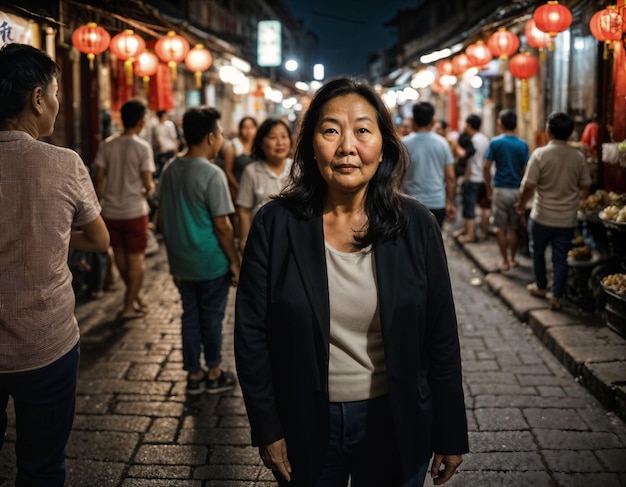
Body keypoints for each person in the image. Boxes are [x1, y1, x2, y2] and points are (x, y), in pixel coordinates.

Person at [234, 77, 468, 487]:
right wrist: (267, 428)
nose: (347, 147)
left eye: (362, 130)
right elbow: (251, 335)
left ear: (384, 145)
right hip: (306, 421)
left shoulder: (416, 225)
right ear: (309, 144)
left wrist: (449, 431)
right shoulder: (275, 224)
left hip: (394, 420)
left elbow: (441, 334)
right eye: (330, 131)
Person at [0, 43, 110, 485]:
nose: (59, 103)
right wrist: (54, 239)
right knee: (42, 465)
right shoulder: (64, 164)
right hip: (45, 344)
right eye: (57, 91)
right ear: (38, 99)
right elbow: (100, 240)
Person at [157, 106, 240, 395]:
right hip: (210, 261)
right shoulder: (212, 174)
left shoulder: (169, 170)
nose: (220, 140)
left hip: (182, 263)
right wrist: (235, 262)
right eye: (219, 134)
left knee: (190, 316)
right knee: (212, 317)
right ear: (210, 137)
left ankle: (194, 374)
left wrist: (172, 263)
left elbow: (164, 220)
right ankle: (215, 370)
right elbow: (223, 226)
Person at [515, 112, 591, 311]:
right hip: (566, 219)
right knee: (560, 257)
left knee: (538, 252)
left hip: (541, 216)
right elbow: (585, 186)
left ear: (548, 131)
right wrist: (575, 201)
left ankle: (541, 286)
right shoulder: (578, 157)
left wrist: (521, 205)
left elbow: (528, 186)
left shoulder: (540, 154)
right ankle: (556, 295)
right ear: (571, 133)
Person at [94, 99, 155, 321]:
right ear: (141, 121)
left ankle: (133, 296)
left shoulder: (107, 145)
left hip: (110, 211)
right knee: (136, 260)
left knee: (119, 256)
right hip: (134, 211)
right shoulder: (142, 147)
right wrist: (149, 189)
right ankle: (129, 305)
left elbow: (99, 179)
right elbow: (147, 184)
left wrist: (99, 205)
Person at [235, 118, 293, 252]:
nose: (280, 143)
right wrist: (245, 239)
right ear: (261, 143)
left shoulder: (298, 169)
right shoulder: (251, 171)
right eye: (273, 137)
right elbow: (244, 211)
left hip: (293, 239)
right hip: (262, 241)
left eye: (284, 136)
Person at [483, 109, 529, 271]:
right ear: (516, 125)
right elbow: (526, 169)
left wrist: (489, 187)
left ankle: (504, 261)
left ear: (500, 124)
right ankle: (513, 258)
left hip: (500, 190)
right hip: (517, 191)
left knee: (500, 227)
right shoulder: (523, 144)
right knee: (514, 227)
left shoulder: (495, 142)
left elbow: (486, 167)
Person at [401, 101, 456, 227]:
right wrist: (450, 203)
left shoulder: (404, 144)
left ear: (413, 121)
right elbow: (451, 178)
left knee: (412, 244)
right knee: (434, 243)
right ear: (433, 120)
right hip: (437, 203)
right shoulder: (442, 143)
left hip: (410, 203)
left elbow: (397, 174)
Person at [454, 114, 490, 243]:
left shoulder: (473, 141)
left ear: (469, 125)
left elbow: (469, 161)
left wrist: (466, 178)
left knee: (469, 207)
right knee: (484, 207)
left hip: (473, 177)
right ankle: (483, 233)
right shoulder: (485, 139)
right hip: (484, 178)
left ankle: (470, 234)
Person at [223, 116, 258, 199]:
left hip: (256, 191)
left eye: (251, 127)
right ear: (240, 129)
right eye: (245, 127)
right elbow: (228, 171)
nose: (248, 131)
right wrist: (239, 188)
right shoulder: (234, 146)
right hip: (238, 191)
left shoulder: (260, 146)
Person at [153, 109, 180, 177]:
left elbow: (174, 138)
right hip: (162, 150)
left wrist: (175, 150)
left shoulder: (169, 125)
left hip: (169, 149)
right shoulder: (157, 126)